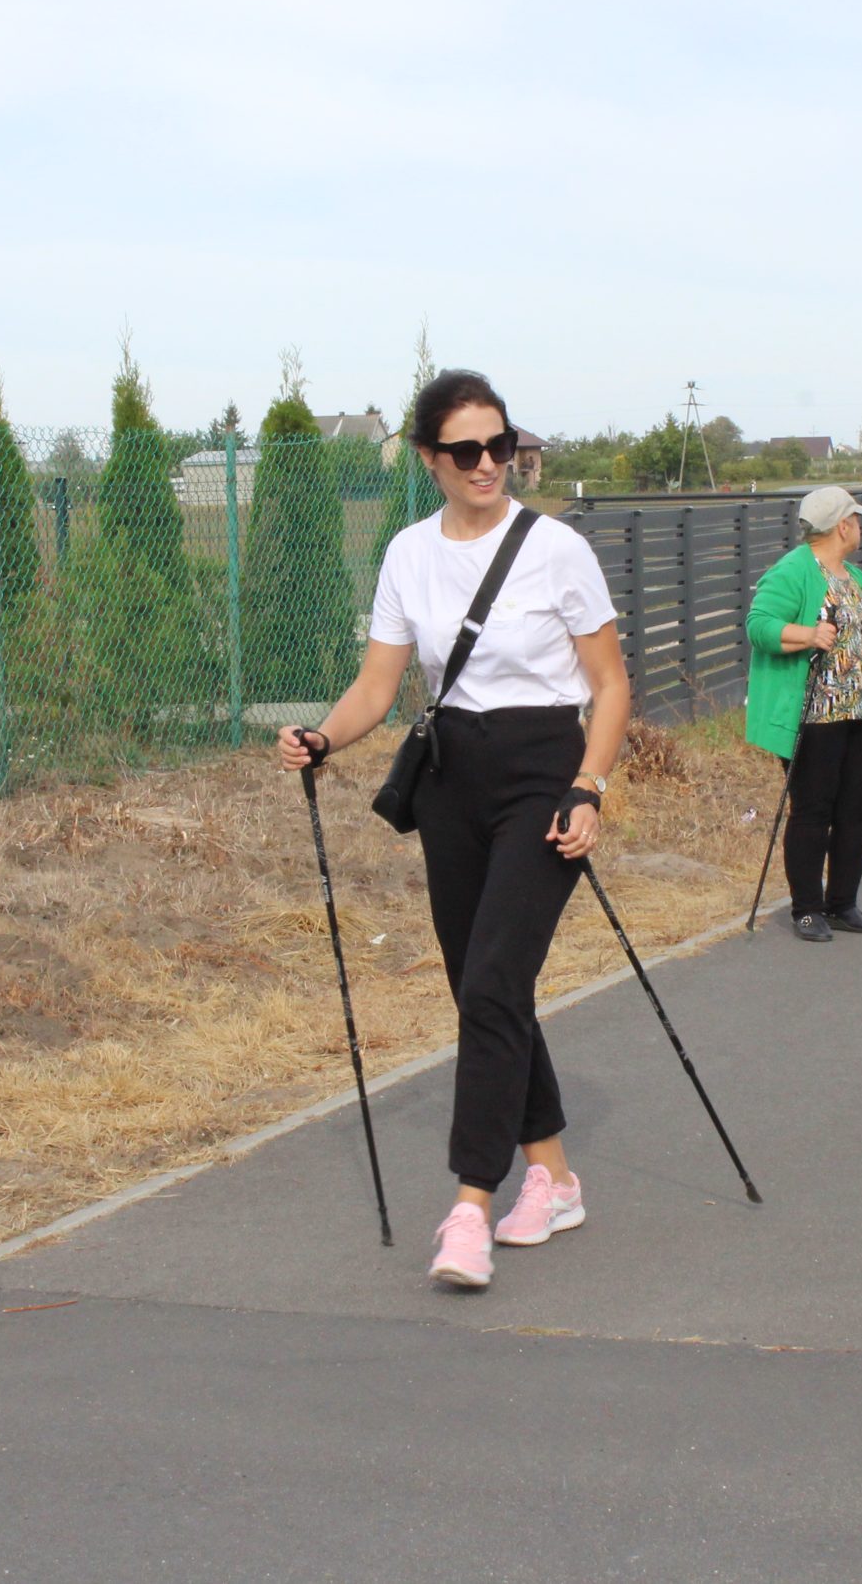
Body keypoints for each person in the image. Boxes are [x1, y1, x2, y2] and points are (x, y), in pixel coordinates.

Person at [277, 370, 631, 1292]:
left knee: (492, 980)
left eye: (500, 444)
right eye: (466, 450)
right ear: (431, 459)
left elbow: (612, 686)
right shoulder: (408, 555)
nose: (488, 464)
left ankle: (472, 1202)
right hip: (452, 778)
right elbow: (377, 689)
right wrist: (322, 736)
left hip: (543, 773)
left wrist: (587, 787)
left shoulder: (555, 548)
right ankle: (553, 1176)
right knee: (486, 988)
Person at [744, 485, 862, 942]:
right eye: (857, 520)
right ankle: (807, 907)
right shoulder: (792, 572)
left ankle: (843, 902)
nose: (861, 528)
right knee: (812, 810)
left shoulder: (854, 577)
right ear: (842, 525)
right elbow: (758, 625)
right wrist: (808, 635)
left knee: (857, 809)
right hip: (814, 717)